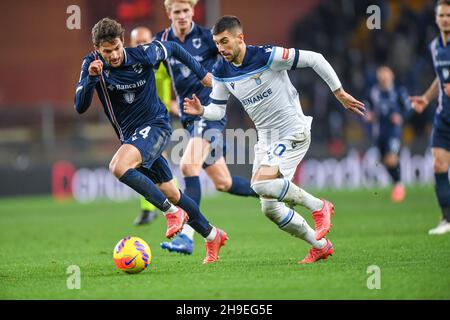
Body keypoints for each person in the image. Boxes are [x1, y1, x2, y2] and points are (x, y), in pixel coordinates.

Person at [184, 16, 365, 264]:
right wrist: (202, 111)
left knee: (258, 184)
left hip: (293, 131)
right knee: (269, 207)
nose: (221, 48)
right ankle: (320, 245)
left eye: (225, 41)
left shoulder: (267, 55)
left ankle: (319, 206)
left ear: (240, 38)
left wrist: (339, 93)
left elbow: (315, 59)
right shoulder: (221, 71)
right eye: (217, 43)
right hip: (266, 140)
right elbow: (218, 111)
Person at [74, 17, 227, 263]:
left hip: (156, 126)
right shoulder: (91, 64)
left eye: (116, 48)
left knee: (118, 166)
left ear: (123, 42)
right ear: (97, 50)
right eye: (106, 51)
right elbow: (79, 106)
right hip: (132, 136)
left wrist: (202, 75)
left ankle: (170, 213)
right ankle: (212, 235)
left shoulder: (145, 54)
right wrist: (91, 78)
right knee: (172, 192)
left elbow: (175, 48)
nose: (113, 55)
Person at [155, 0, 258, 255]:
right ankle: (273, 190)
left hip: (210, 111)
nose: (182, 15)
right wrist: (169, 103)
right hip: (190, 117)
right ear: (169, 13)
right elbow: (155, 77)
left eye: (186, 10)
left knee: (189, 166)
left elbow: (233, 57)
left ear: (192, 11)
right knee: (223, 182)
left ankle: (188, 236)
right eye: (176, 11)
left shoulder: (208, 37)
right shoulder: (162, 41)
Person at [129, 26, 179, 226]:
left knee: (150, 164)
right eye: (137, 42)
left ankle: (167, 205)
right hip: (137, 122)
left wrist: (178, 103)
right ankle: (166, 205)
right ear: (130, 45)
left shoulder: (162, 63)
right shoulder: (128, 67)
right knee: (144, 166)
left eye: (145, 41)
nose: (141, 45)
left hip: (158, 122)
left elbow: (179, 82)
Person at [409, 0, 450, 235]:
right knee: (438, 164)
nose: (445, 19)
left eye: (449, 15)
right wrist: (426, 98)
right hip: (444, 116)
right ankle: (447, 219)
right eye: (442, 15)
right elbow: (440, 78)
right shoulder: (435, 46)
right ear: (436, 18)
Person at [366, 66, 411, 202]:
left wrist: (401, 116)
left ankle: (399, 186)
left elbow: (408, 108)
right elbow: (366, 105)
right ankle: (397, 184)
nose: (384, 79)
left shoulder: (399, 92)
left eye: (386, 76)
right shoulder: (374, 92)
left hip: (393, 133)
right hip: (379, 133)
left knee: (391, 158)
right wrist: (367, 114)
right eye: (381, 76)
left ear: (392, 76)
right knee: (385, 161)